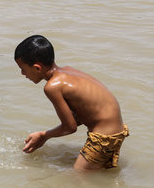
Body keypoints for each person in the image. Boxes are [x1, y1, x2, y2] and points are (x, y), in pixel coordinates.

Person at [14, 35, 128, 170]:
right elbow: (84, 113)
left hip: (103, 136)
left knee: (79, 177)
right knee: (98, 174)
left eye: (23, 69)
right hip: (117, 128)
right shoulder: (68, 71)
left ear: (37, 68)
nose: (22, 73)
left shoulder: (52, 87)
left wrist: (44, 136)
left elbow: (70, 127)